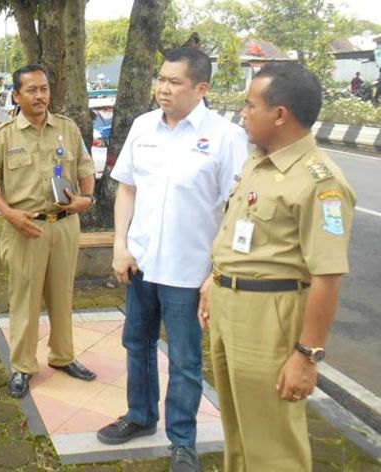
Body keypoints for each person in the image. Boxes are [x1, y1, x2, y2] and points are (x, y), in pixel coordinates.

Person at [96, 47, 249, 472]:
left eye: (174, 81)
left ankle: (183, 441)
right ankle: (140, 416)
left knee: (185, 360)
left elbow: (238, 209)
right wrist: (119, 246)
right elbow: (127, 188)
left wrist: (216, 274)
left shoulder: (225, 138)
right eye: (160, 78)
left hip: (190, 270)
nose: (163, 88)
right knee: (136, 344)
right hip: (141, 262)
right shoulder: (144, 127)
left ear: (202, 88)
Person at [200, 62, 355, 472]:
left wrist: (306, 355)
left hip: (270, 316)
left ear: (280, 114)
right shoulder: (258, 161)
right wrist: (213, 282)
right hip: (230, 306)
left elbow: (327, 275)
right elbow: (241, 234)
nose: (243, 114)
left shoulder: (321, 182)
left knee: (273, 444)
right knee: (239, 431)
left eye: (251, 105)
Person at [0, 64, 98, 398]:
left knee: (62, 296)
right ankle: (23, 366)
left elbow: (86, 169)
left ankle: (62, 356)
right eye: (32, 90)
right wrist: (10, 214)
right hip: (25, 228)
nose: (40, 95)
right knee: (24, 300)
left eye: (44, 88)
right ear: (16, 95)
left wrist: (86, 199)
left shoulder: (68, 130)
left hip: (65, 226)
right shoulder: (3, 135)